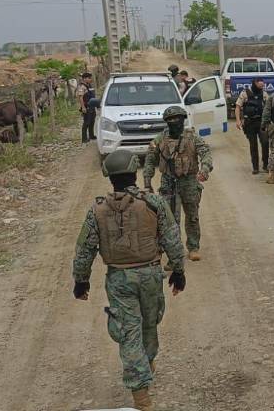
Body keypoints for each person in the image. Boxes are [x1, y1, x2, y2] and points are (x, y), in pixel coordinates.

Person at [72, 150, 185, 411]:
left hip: (119, 277)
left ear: (109, 177)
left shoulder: (97, 209)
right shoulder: (153, 202)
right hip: (150, 274)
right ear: (135, 172)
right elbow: (171, 238)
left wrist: (81, 280)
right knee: (147, 324)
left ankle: (142, 379)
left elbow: (85, 249)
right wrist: (178, 270)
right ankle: (143, 386)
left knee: (130, 330)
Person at [143, 106, 213, 261]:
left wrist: (205, 168)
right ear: (166, 122)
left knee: (192, 216)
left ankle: (193, 247)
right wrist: (147, 182)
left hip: (189, 181)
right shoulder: (159, 139)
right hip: (168, 182)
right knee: (170, 220)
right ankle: (174, 255)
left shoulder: (192, 137)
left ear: (183, 119)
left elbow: (205, 152)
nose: (174, 122)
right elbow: (149, 159)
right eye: (170, 120)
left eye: (177, 119)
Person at [235, 78, 269, 174]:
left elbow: (269, 108)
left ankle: (266, 165)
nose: (261, 88)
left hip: (261, 122)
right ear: (255, 83)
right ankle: (255, 167)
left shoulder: (265, 94)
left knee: (265, 142)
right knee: (253, 145)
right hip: (249, 123)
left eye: (262, 86)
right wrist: (238, 120)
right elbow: (238, 107)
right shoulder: (245, 93)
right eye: (260, 86)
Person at [77, 73, 96, 143]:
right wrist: (83, 107)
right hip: (86, 107)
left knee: (92, 121)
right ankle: (84, 138)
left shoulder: (89, 86)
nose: (91, 79)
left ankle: (91, 135)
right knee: (86, 122)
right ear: (84, 78)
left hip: (92, 106)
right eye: (89, 78)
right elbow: (81, 98)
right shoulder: (82, 87)